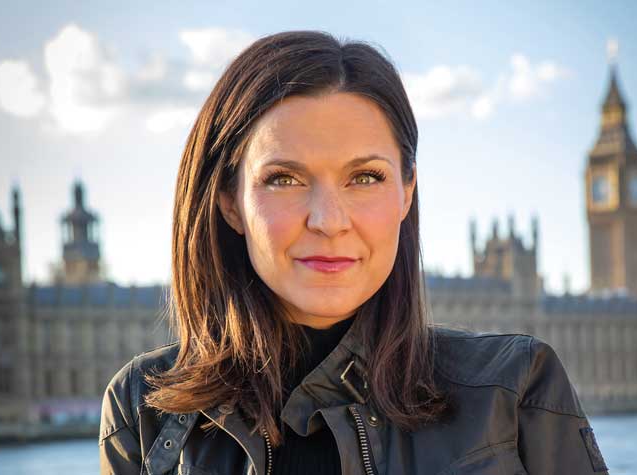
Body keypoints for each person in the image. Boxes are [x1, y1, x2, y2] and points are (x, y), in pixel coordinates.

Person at [99, 30, 609, 475]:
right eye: (284, 179)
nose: (329, 220)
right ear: (229, 202)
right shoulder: (144, 412)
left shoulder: (513, 389)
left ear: (407, 192)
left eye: (364, 177)